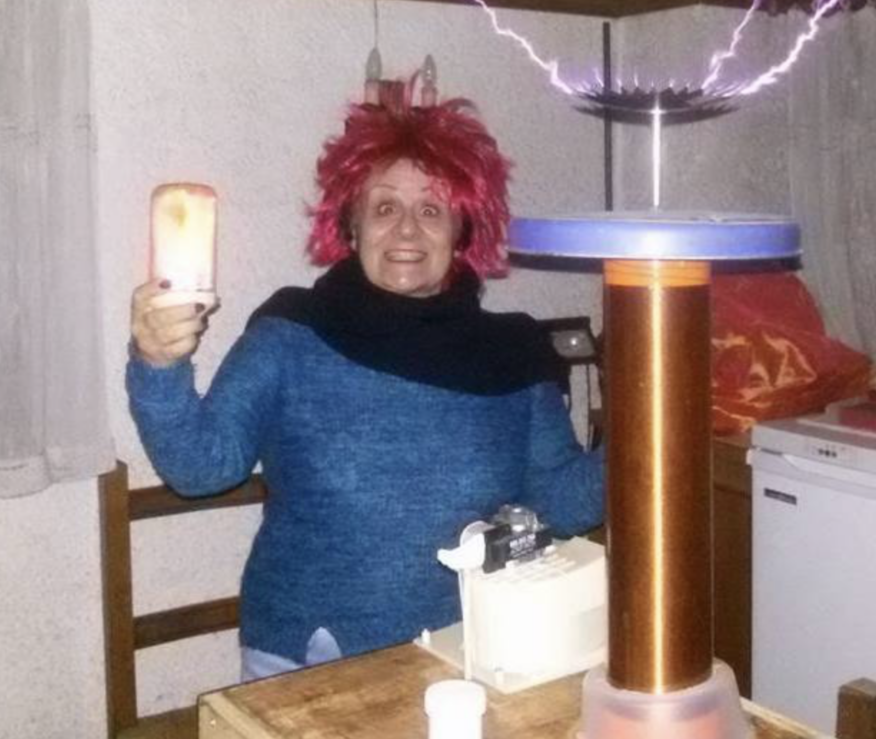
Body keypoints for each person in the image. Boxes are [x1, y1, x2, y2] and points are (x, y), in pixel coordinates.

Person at [127, 93, 605, 681]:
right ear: (352, 226)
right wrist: (157, 364)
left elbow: (558, 502)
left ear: (462, 230)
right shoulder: (291, 332)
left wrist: (653, 430)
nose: (406, 228)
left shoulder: (514, 350)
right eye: (384, 207)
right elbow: (200, 468)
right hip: (306, 660)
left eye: (431, 209)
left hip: (464, 654)